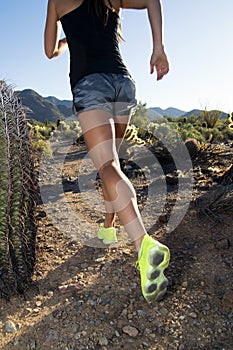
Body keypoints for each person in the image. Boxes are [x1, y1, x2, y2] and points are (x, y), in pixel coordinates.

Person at [44, 0, 170, 303]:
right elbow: (153, 0)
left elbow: (49, 51)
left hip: (91, 84)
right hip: (123, 85)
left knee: (108, 166)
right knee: (111, 165)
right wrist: (158, 48)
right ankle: (108, 228)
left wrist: (66, 40)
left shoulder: (57, 2)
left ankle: (143, 245)